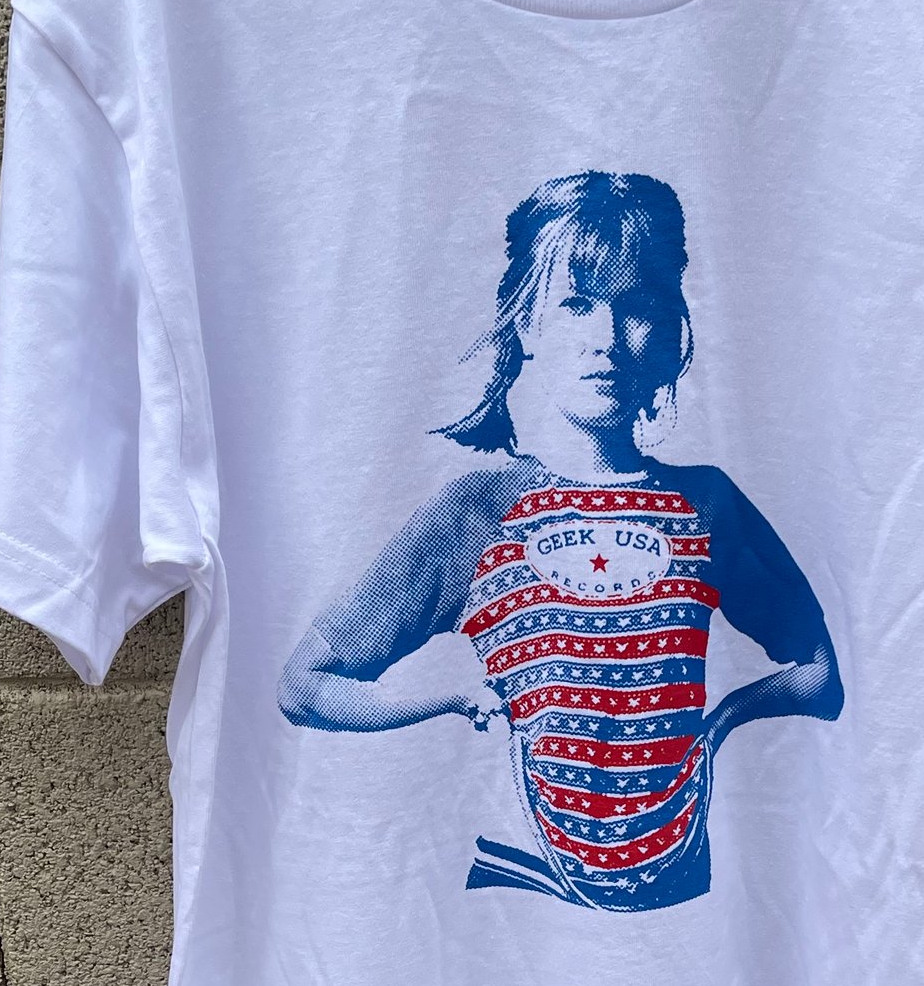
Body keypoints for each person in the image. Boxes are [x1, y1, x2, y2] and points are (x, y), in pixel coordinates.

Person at [278, 170, 842, 910]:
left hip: (681, 892)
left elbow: (819, 673)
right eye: (576, 304)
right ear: (527, 325)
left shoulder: (707, 504)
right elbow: (305, 684)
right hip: (516, 886)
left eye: (636, 306)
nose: (605, 340)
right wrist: (446, 700)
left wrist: (723, 721)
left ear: (669, 327)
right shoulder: (477, 510)